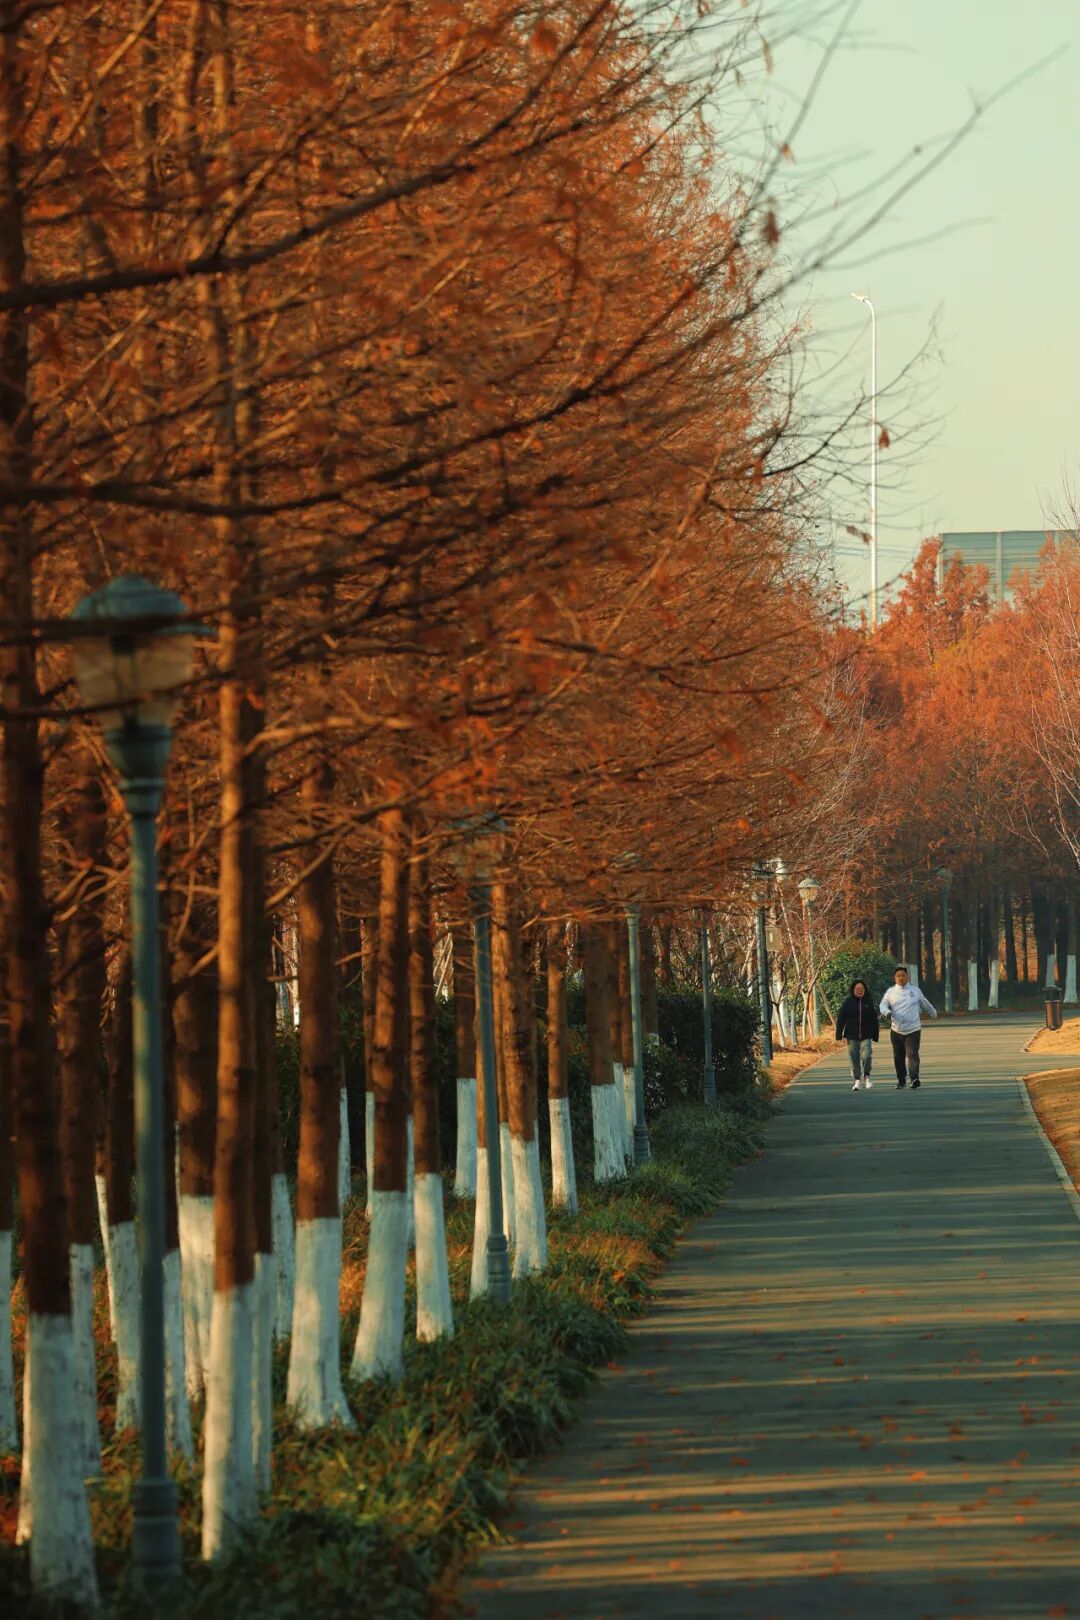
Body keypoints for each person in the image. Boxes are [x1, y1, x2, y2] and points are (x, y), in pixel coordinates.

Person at [879, 966, 937, 1089]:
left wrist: (932, 1012)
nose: (901, 978)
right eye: (898, 976)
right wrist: (887, 1012)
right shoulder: (890, 992)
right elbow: (882, 1005)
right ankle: (901, 1080)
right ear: (894, 978)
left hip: (913, 1029)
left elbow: (924, 1002)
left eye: (903, 975)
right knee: (898, 1057)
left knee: (912, 1054)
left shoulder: (915, 990)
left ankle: (914, 1078)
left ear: (907, 977)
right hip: (896, 1030)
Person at [834, 979, 879, 1090]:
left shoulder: (868, 1002)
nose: (859, 991)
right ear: (853, 990)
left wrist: (875, 1035)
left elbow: (874, 1019)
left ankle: (867, 1077)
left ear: (865, 990)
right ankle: (857, 1080)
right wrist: (838, 1034)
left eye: (861, 989)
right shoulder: (848, 1002)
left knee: (866, 1056)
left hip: (866, 1035)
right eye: (857, 989)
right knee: (853, 1058)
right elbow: (841, 1018)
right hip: (851, 1035)